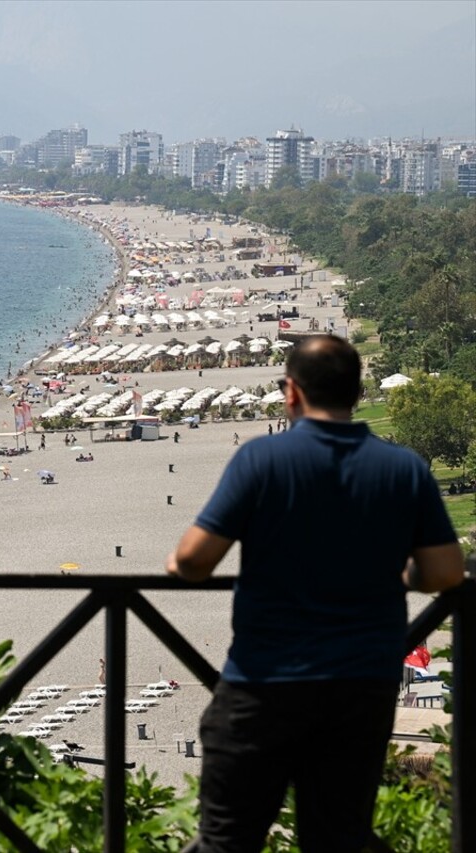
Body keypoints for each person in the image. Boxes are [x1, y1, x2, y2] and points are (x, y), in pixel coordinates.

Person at [166, 334, 464, 852]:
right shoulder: (403, 469)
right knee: (338, 840)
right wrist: (403, 577)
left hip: (265, 681)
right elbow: (442, 571)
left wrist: (176, 563)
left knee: (227, 840)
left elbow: (193, 560)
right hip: (360, 686)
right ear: (357, 392)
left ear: (291, 392)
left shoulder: (261, 460)